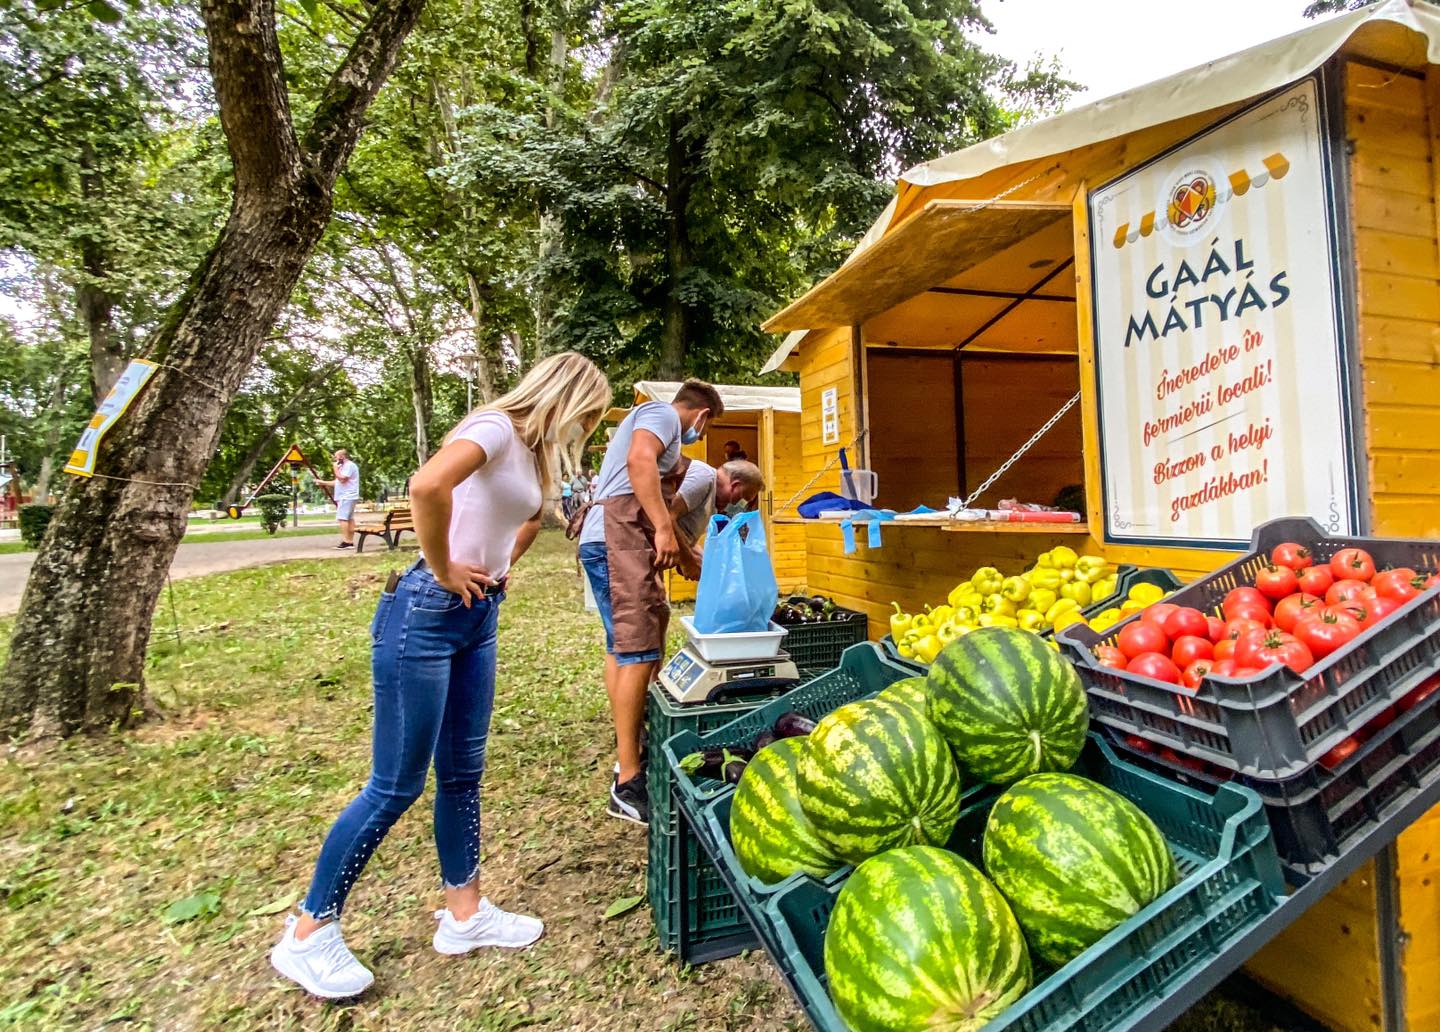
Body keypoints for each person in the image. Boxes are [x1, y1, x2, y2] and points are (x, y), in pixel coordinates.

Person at [269, 352, 612, 999]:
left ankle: (465, 915)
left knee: (461, 775)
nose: (586, 429)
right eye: (587, 416)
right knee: (394, 785)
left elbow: (529, 517)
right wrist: (447, 566)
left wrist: (500, 565)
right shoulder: (495, 428)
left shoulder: (530, 453)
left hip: (477, 617)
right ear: (565, 398)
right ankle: (308, 933)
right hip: (425, 611)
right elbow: (427, 486)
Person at [577, 380, 723, 825]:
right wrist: (662, 529)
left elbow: (655, 493)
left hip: (607, 539)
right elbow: (639, 462)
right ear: (702, 416)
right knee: (639, 650)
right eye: (706, 427)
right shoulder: (662, 415)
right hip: (616, 538)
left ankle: (632, 743)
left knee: (622, 648)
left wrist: (686, 553)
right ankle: (627, 780)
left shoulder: (668, 439)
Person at [669, 459, 765, 578]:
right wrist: (687, 561)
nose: (739, 505)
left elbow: (681, 529)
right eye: (743, 499)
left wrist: (698, 558)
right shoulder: (704, 478)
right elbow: (666, 517)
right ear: (735, 486)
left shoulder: (713, 502)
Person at [316, 449, 361, 549]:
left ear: (342, 457)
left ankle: (346, 542)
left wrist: (335, 468)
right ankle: (350, 541)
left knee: (342, 518)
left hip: (347, 496)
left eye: (336, 457)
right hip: (347, 496)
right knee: (349, 518)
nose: (335, 459)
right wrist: (322, 482)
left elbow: (342, 479)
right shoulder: (344, 467)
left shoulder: (349, 466)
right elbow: (337, 482)